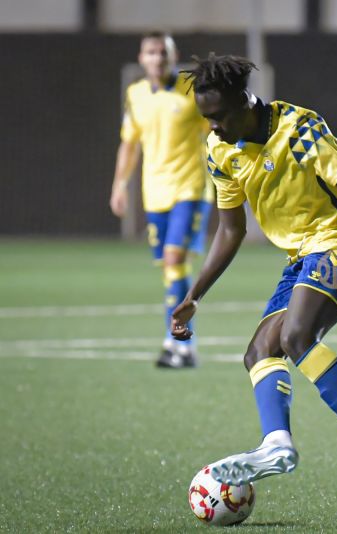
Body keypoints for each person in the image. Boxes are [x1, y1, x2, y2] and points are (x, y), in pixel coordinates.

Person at [170, 53, 337, 508]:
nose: (213, 127)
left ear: (245, 102)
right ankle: (279, 444)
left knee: (297, 335)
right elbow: (231, 230)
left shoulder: (299, 127)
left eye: (219, 116)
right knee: (258, 352)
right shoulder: (220, 151)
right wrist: (194, 295)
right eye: (206, 119)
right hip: (299, 258)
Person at [109, 32, 214, 369]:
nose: (157, 58)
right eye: (151, 53)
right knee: (173, 271)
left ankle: (180, 343)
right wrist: (119, 185)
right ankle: (180, 345)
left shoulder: (190, 89)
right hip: (154, 193)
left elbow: (216, 129)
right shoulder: (135, 94)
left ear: (173, 56)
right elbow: (129, 144)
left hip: (191, 189)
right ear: (142, 58)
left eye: (163, 53)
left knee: (173, 260)